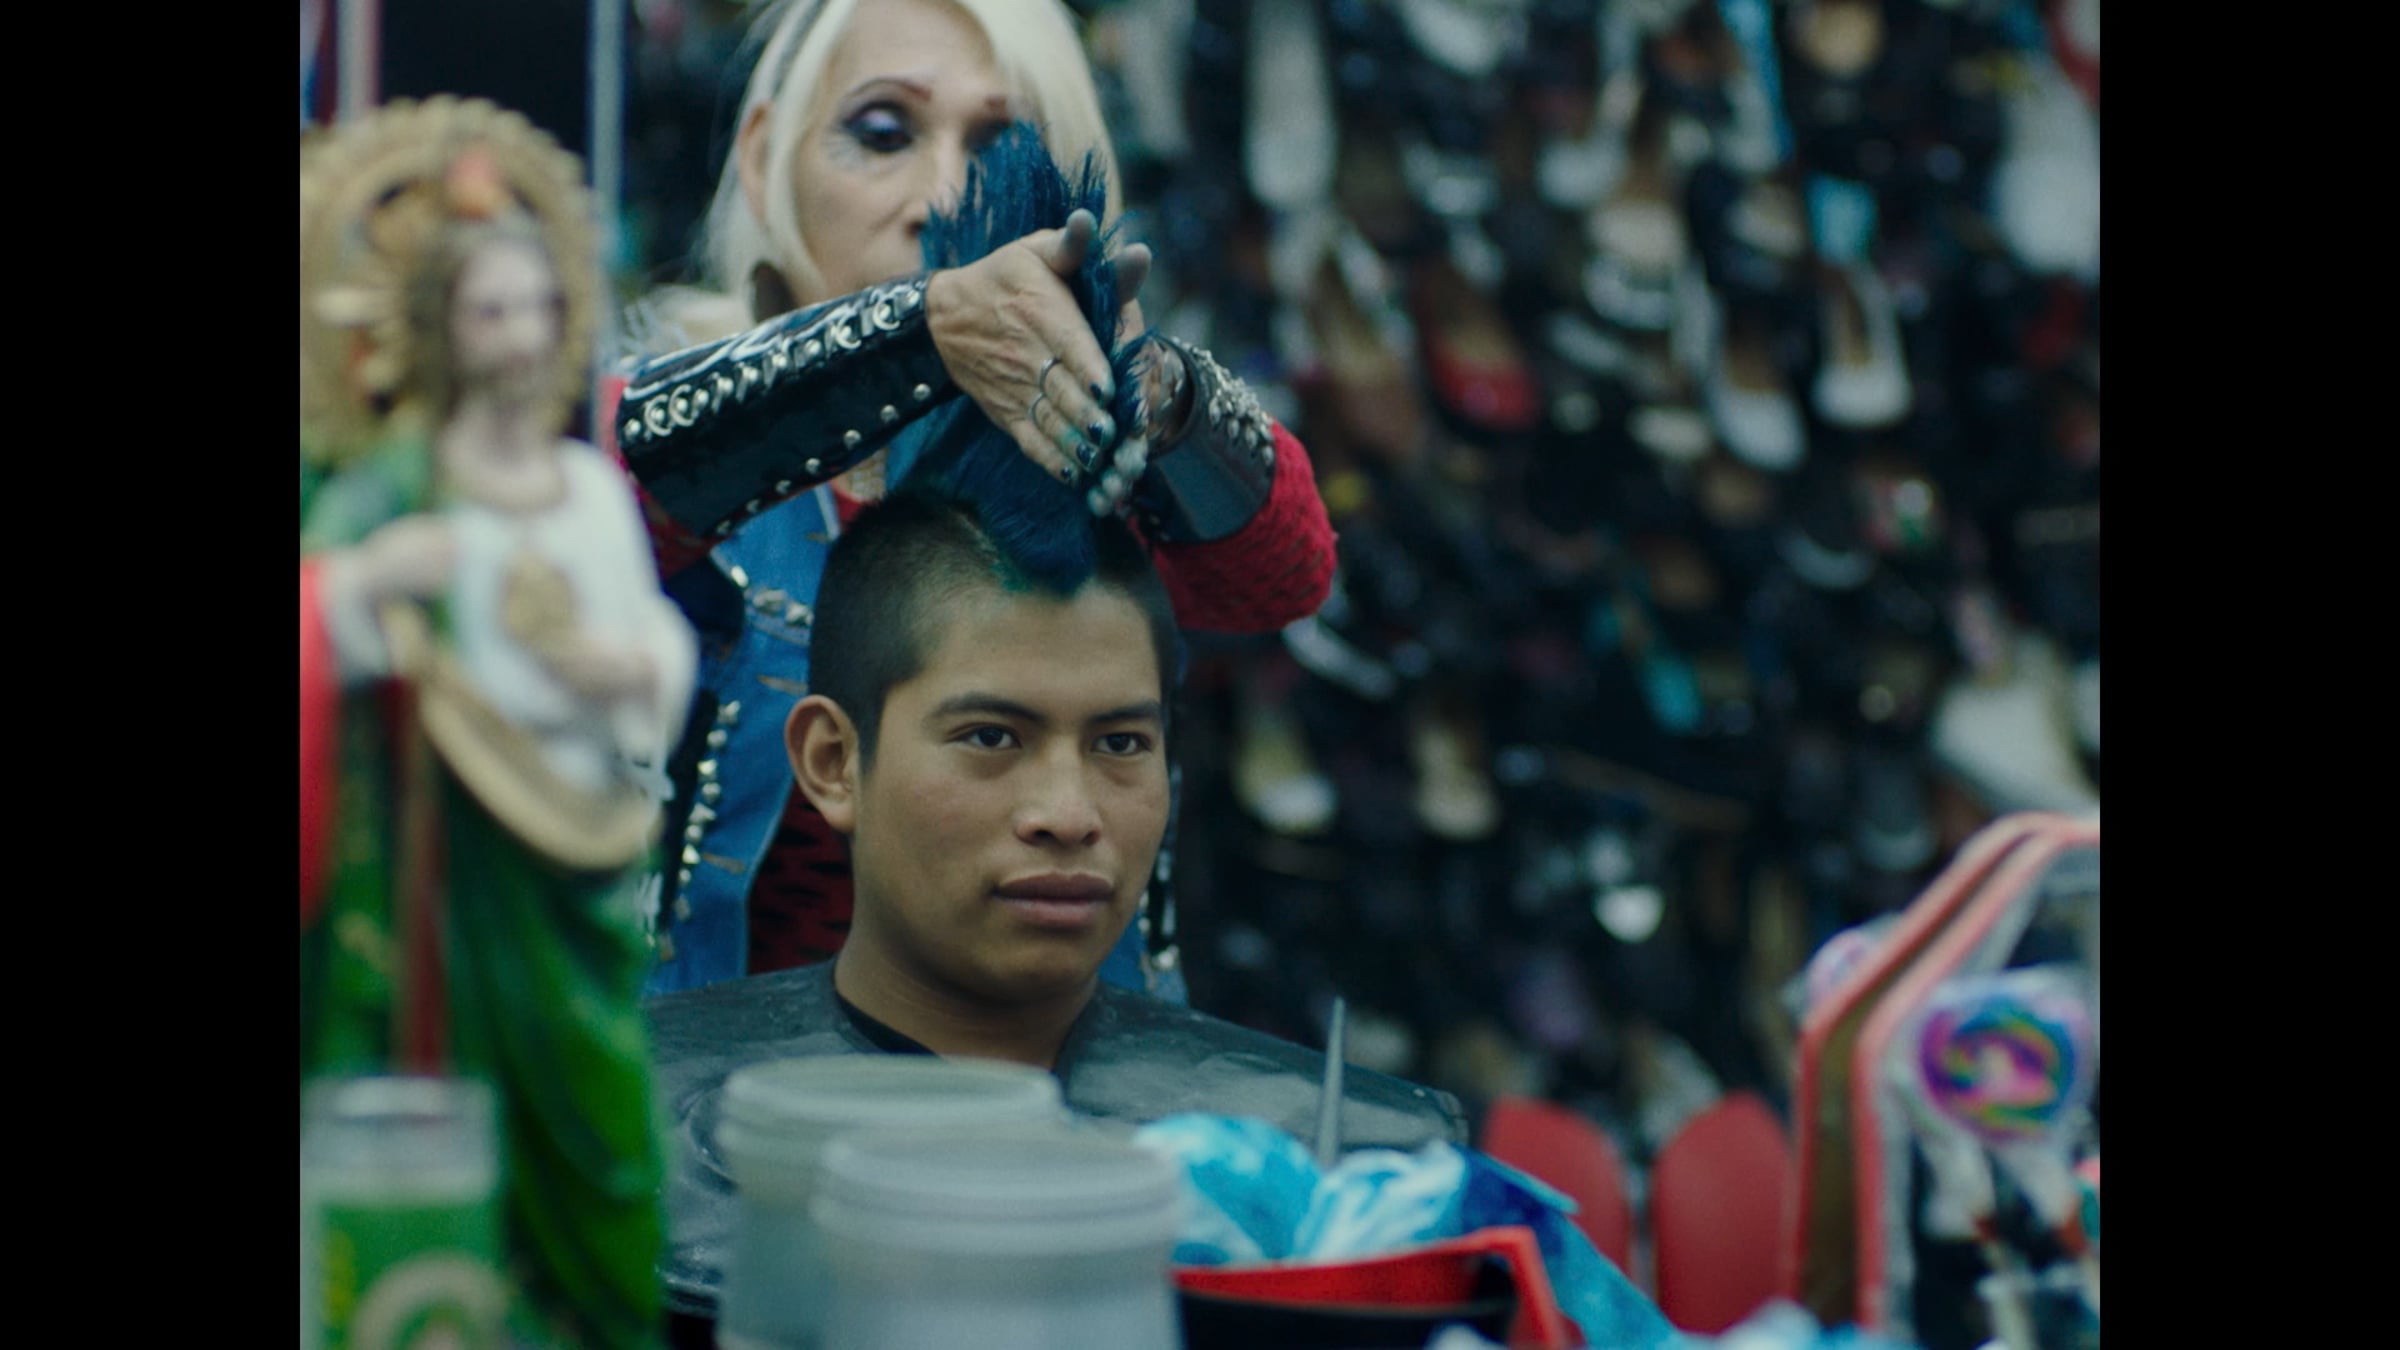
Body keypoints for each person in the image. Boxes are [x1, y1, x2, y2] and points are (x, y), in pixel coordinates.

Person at [608, 0, 1338, 1000]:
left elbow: (1284, 577)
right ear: (765, 156)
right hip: (707, 1090)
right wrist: (922, 330)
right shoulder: (662, 420)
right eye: (883, 132)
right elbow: (592, 504)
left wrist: (1159, 394)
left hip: (1057, 1085)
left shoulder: (1100, 445)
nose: (942, 195)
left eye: (999, 152)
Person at [643, 459, 1463, 1323]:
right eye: (991, 737)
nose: (1069, 816)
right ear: (833, 761)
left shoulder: (1361, 1177)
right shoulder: (619, 1123)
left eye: (1120, 745)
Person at [299, 99, 687, 1350]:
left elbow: (657, 647)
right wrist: (371, 583)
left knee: (604, 1123)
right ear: (439, 328)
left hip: (575, 860)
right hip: (442, 871)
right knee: (449, 1103)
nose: (520, 338)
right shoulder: (396, 491)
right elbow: (314, 622)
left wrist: (619, 666)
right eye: (489, 312)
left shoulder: (587, 491)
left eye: (535, 307)